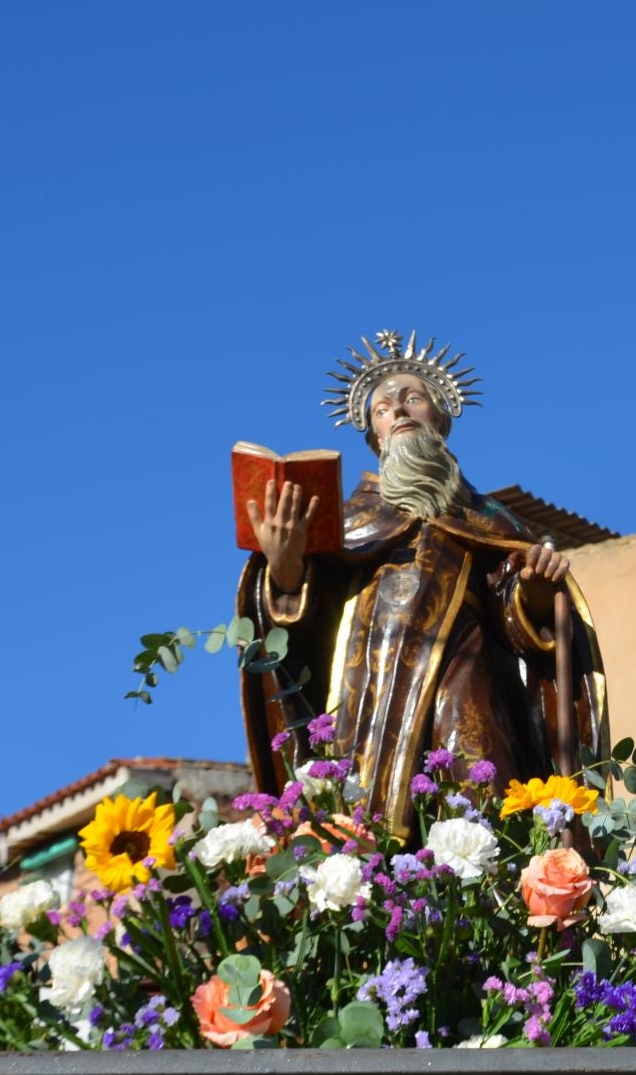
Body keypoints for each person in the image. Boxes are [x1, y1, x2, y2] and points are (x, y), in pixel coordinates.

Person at [237, 330, 607, 839]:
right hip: (367, 698)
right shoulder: (347, 524)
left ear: (441, 418)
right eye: (384, 409)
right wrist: (284, 567)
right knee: (363, 834)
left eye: (413, 398)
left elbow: (516, 611)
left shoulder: (488, 519)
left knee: (477, 831)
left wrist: (535, 594)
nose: (399, 409)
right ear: (375, 437)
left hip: (467, 690)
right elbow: (305, 631)